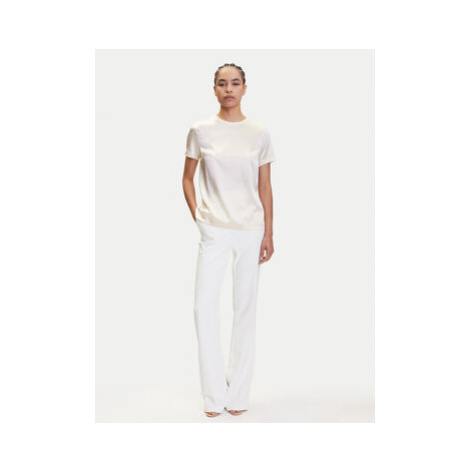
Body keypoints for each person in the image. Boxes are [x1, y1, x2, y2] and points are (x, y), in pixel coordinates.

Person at [182, 63, 276, 418]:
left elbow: (265, 186)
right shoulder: (200, 131)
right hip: (214, 229)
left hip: (251, 229)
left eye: (235, 83)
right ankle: (213, 396)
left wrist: (269, 231)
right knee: (203, 308)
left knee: (245, 309)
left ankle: (237, 395)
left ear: (245, 88)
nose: (229, 89)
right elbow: (187, 178)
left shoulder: (259, 134)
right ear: (214, 89)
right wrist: (199, 216)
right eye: (222, 83)